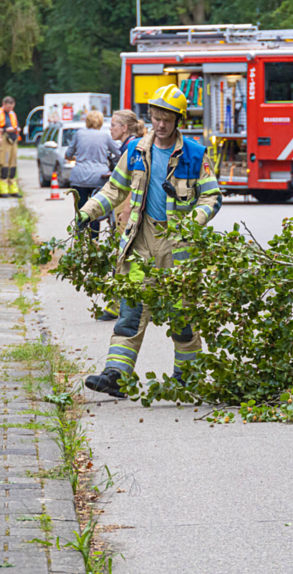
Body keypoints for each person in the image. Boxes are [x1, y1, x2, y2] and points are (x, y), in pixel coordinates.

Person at [77, 85, 222, 398]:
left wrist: (194, 223)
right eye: (156, 118)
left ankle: (188, 379)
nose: (160, 125)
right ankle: (116, 375)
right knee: (130, 309)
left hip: (178, 249)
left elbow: (212, 196)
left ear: (177, 120)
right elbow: (114, 190)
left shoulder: (195, 155)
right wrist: (86, 213)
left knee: (182, 316)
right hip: (141, 245)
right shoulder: (136, 152)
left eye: (166, 119)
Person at [97, 109, 147, 322]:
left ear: (124, 128)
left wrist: (126, 211)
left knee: (124, 256)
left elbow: (135, 184)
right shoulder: (127, 147)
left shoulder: (133, 148)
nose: (110, 128)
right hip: (125, 208)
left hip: (127, 210)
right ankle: (135, 302)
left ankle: (120, 304)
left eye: (114, 125)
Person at [65, 110, 121, 238]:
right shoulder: (105, 136)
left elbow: (68, 154)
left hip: (79, 178)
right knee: (96, 209)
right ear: (101, 122)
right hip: (98, 178)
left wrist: (76, 157)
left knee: (81, 211)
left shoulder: (78, 134)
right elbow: (119, 153)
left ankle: (79, 241)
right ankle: (94, 241)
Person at [0, 96, 20, 198]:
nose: (10, 109)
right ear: (3, 104)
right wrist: (5, 130)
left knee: (12, 165)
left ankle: (13, 189)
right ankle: (3, 190)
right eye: (8, 107)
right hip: (3, 139)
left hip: (13, 139)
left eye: (11, 107)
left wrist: (17, 129)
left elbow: (15, 124)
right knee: (3, 164)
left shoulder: (13, 114)